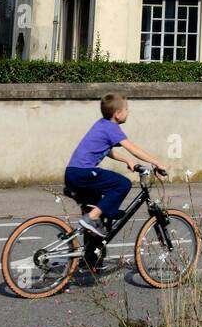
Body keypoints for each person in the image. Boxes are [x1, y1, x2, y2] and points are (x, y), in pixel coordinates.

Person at [65, 92, 167, 239]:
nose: (128, 112)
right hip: (83, 173)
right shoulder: (111, 128)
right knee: (122, 184)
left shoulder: (102, 124)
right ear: (118, 114)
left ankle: (91, 259)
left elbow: (106, 151)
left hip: (74, 174)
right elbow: (133, 149)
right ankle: (92, 217)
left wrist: (127, 161)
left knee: (100, 219)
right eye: (126, 109)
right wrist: (157, 162)